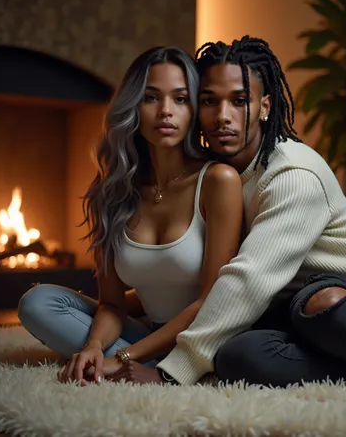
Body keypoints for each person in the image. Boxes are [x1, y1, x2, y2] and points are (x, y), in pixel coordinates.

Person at [149, 35, 346, 393]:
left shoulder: (292, 173)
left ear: (265, 106)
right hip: (322, 325)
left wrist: (171, 371)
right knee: (238, 355)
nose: (222, 117)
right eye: (209, 101)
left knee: (319, 300)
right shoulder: (213, 176)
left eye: (239, 101)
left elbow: (249, 280)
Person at [17, 46, 243, 386]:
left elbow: (211, 302)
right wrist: (94, 345)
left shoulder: (217, 181)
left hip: (201, 339)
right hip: (143, 336)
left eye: (180, 99)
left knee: (184, 339)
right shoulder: (114, 192)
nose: (166, 111)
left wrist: (122, 357)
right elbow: (112, 304)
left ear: (195, 109)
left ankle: (153, 368)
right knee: (38, 302)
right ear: (134, 106)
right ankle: (131, 365)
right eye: (152, 97)